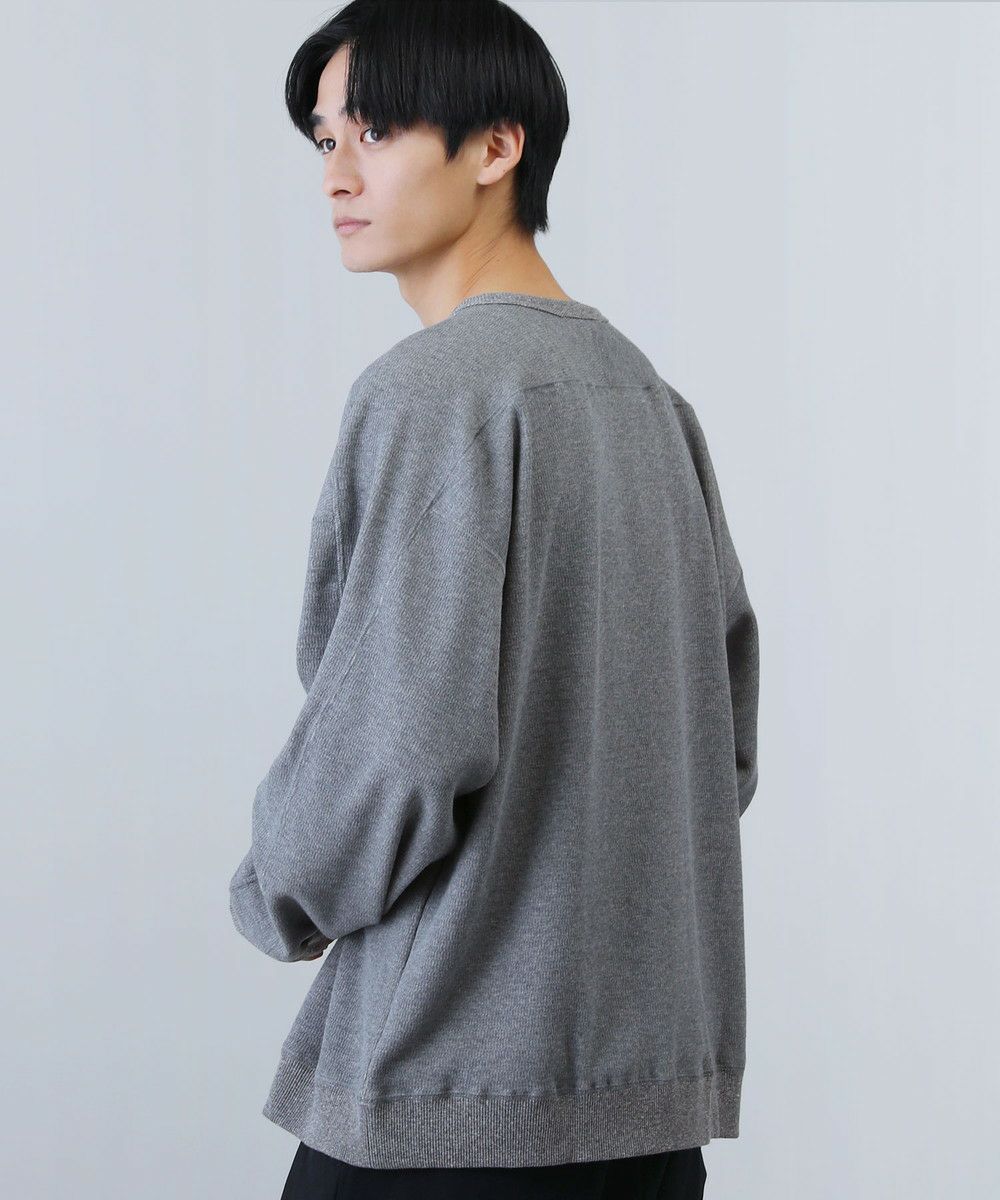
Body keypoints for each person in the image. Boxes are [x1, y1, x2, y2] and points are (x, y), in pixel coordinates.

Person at [227, 2, 760, 1196]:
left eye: (375, 131)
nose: (337, 175)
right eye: (325, 140)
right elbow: (719, 747)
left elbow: (393, 747)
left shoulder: (432, 393)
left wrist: (277, 891)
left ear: (495, 147)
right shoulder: (651, 403)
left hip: (444, 1106)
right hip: (644, 1117)